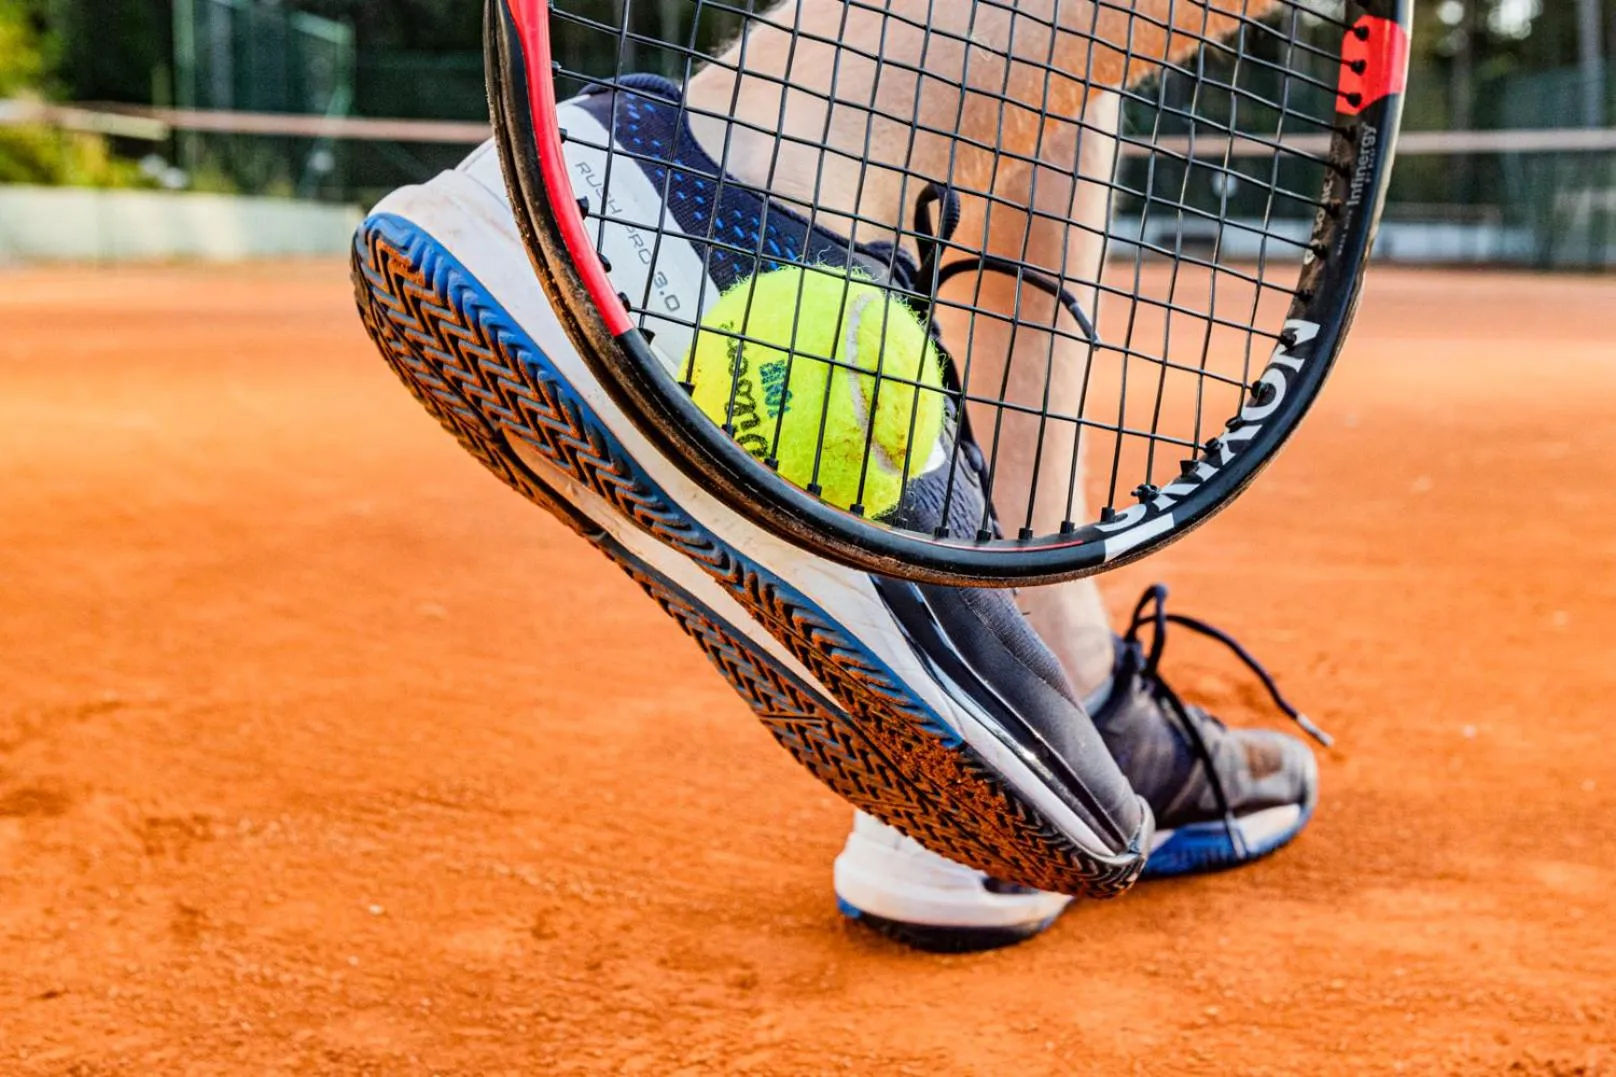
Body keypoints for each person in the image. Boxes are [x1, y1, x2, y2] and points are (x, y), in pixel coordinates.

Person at [353, 0, 1319, 952]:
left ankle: (1026, 616)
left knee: (1058, 63)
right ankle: (735, 171)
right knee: (855, 127)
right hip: (717, 189)